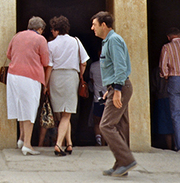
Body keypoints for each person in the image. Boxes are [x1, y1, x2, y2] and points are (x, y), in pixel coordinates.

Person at [91, 11, 137, 177]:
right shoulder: (107, 41)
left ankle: (127, 160)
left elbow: (120, 66)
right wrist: (110, 89)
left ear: (104, 25)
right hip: (116, 87)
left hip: (121, 87)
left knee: (106, 125)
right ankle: (120, 164)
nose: (92, 28)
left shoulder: (114, 40)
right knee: (120, 126)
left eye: (94, 25)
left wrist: (117, 90)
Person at [44, 16, 89, 156]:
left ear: (56, 29)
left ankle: (68, 144)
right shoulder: (75, 41)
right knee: (67, 113)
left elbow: (49, 66)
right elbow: (84, 62)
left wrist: (45, 84)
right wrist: (79, 75)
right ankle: (59, 144)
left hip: (55, 78)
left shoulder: (50, 44)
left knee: (62, 114)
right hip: (71, 77)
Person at [6, 16, 50, 156]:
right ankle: (27, 145)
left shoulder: (17, 36)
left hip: (13, 75)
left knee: (20, 107)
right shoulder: (40, 39)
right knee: (29, 109)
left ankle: (21, 138)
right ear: (40, 29)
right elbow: (46, 61)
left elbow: (8, 55)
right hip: (30, 77)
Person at [88, 48, 106, 146]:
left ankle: (99, 141)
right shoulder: (111, 66)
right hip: (109, 96)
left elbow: (92, 81)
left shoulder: (93, 66)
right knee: (107, 121)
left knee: (97, 121)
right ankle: (105, 142)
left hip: (98, 96)